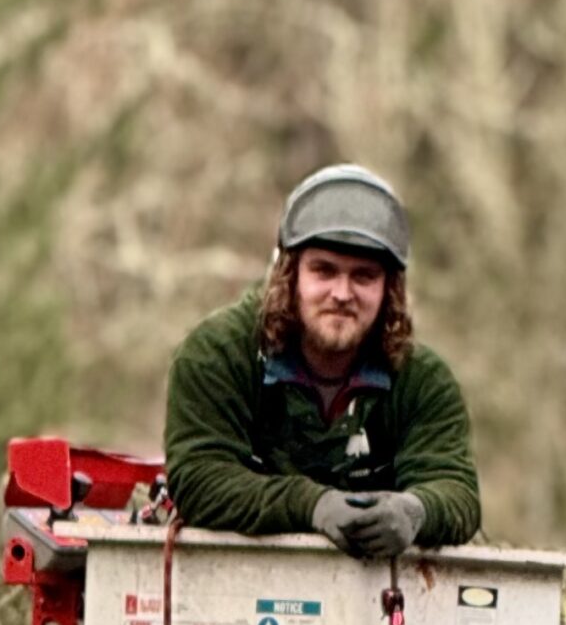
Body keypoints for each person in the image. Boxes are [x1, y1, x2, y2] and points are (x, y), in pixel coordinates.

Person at [164, 163, 481, 558]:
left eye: (363, 276)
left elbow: (457, 490)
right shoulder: (218, 354)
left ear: (390, 289)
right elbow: (199, 480)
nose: (342, 293)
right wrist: (312, 505)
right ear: (289, 273)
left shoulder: (420, 378)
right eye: (324, 271)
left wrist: (415, 511)